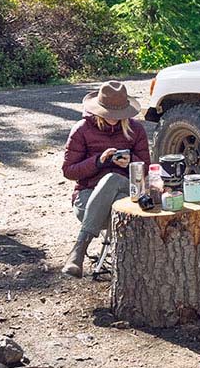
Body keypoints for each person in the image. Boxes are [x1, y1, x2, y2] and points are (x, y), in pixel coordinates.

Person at [61, 81, 151, 277]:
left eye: (117, 114)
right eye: (109, 113)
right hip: (89, 197)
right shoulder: (82, 129)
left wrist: (129, 162)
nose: (113, 119)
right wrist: (98, 162)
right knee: (110, 182)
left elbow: (145, 169)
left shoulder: (136, 130)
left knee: (113, 179)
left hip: (129, 192)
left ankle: (79, 251)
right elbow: (68, 171)